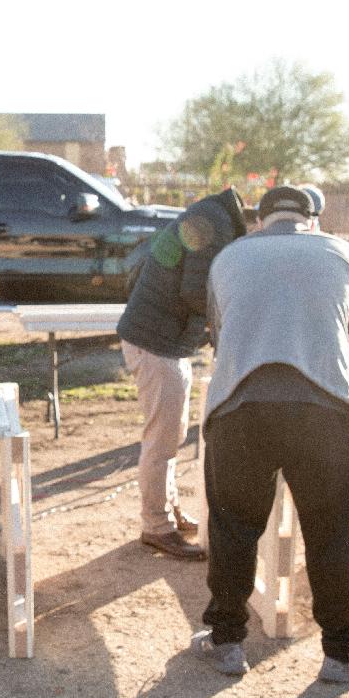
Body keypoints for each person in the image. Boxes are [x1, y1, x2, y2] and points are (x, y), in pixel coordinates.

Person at [192, 184, 349, 683]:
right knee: (328, 532)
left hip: (240, 407)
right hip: (322, 410)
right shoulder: (344, 254)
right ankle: (342, 653)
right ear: (312, 219)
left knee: (232, 529)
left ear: (260, 221)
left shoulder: (230, 258)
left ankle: (227, 641)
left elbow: (219, 334)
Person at [116, 186, 248, 560]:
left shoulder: (213, 217)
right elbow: (195, 291)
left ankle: (167, 514)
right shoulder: (213, 224)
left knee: (170, 436)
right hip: (156, 342)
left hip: (164, 341)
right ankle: (155, 527)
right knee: (161, 439)